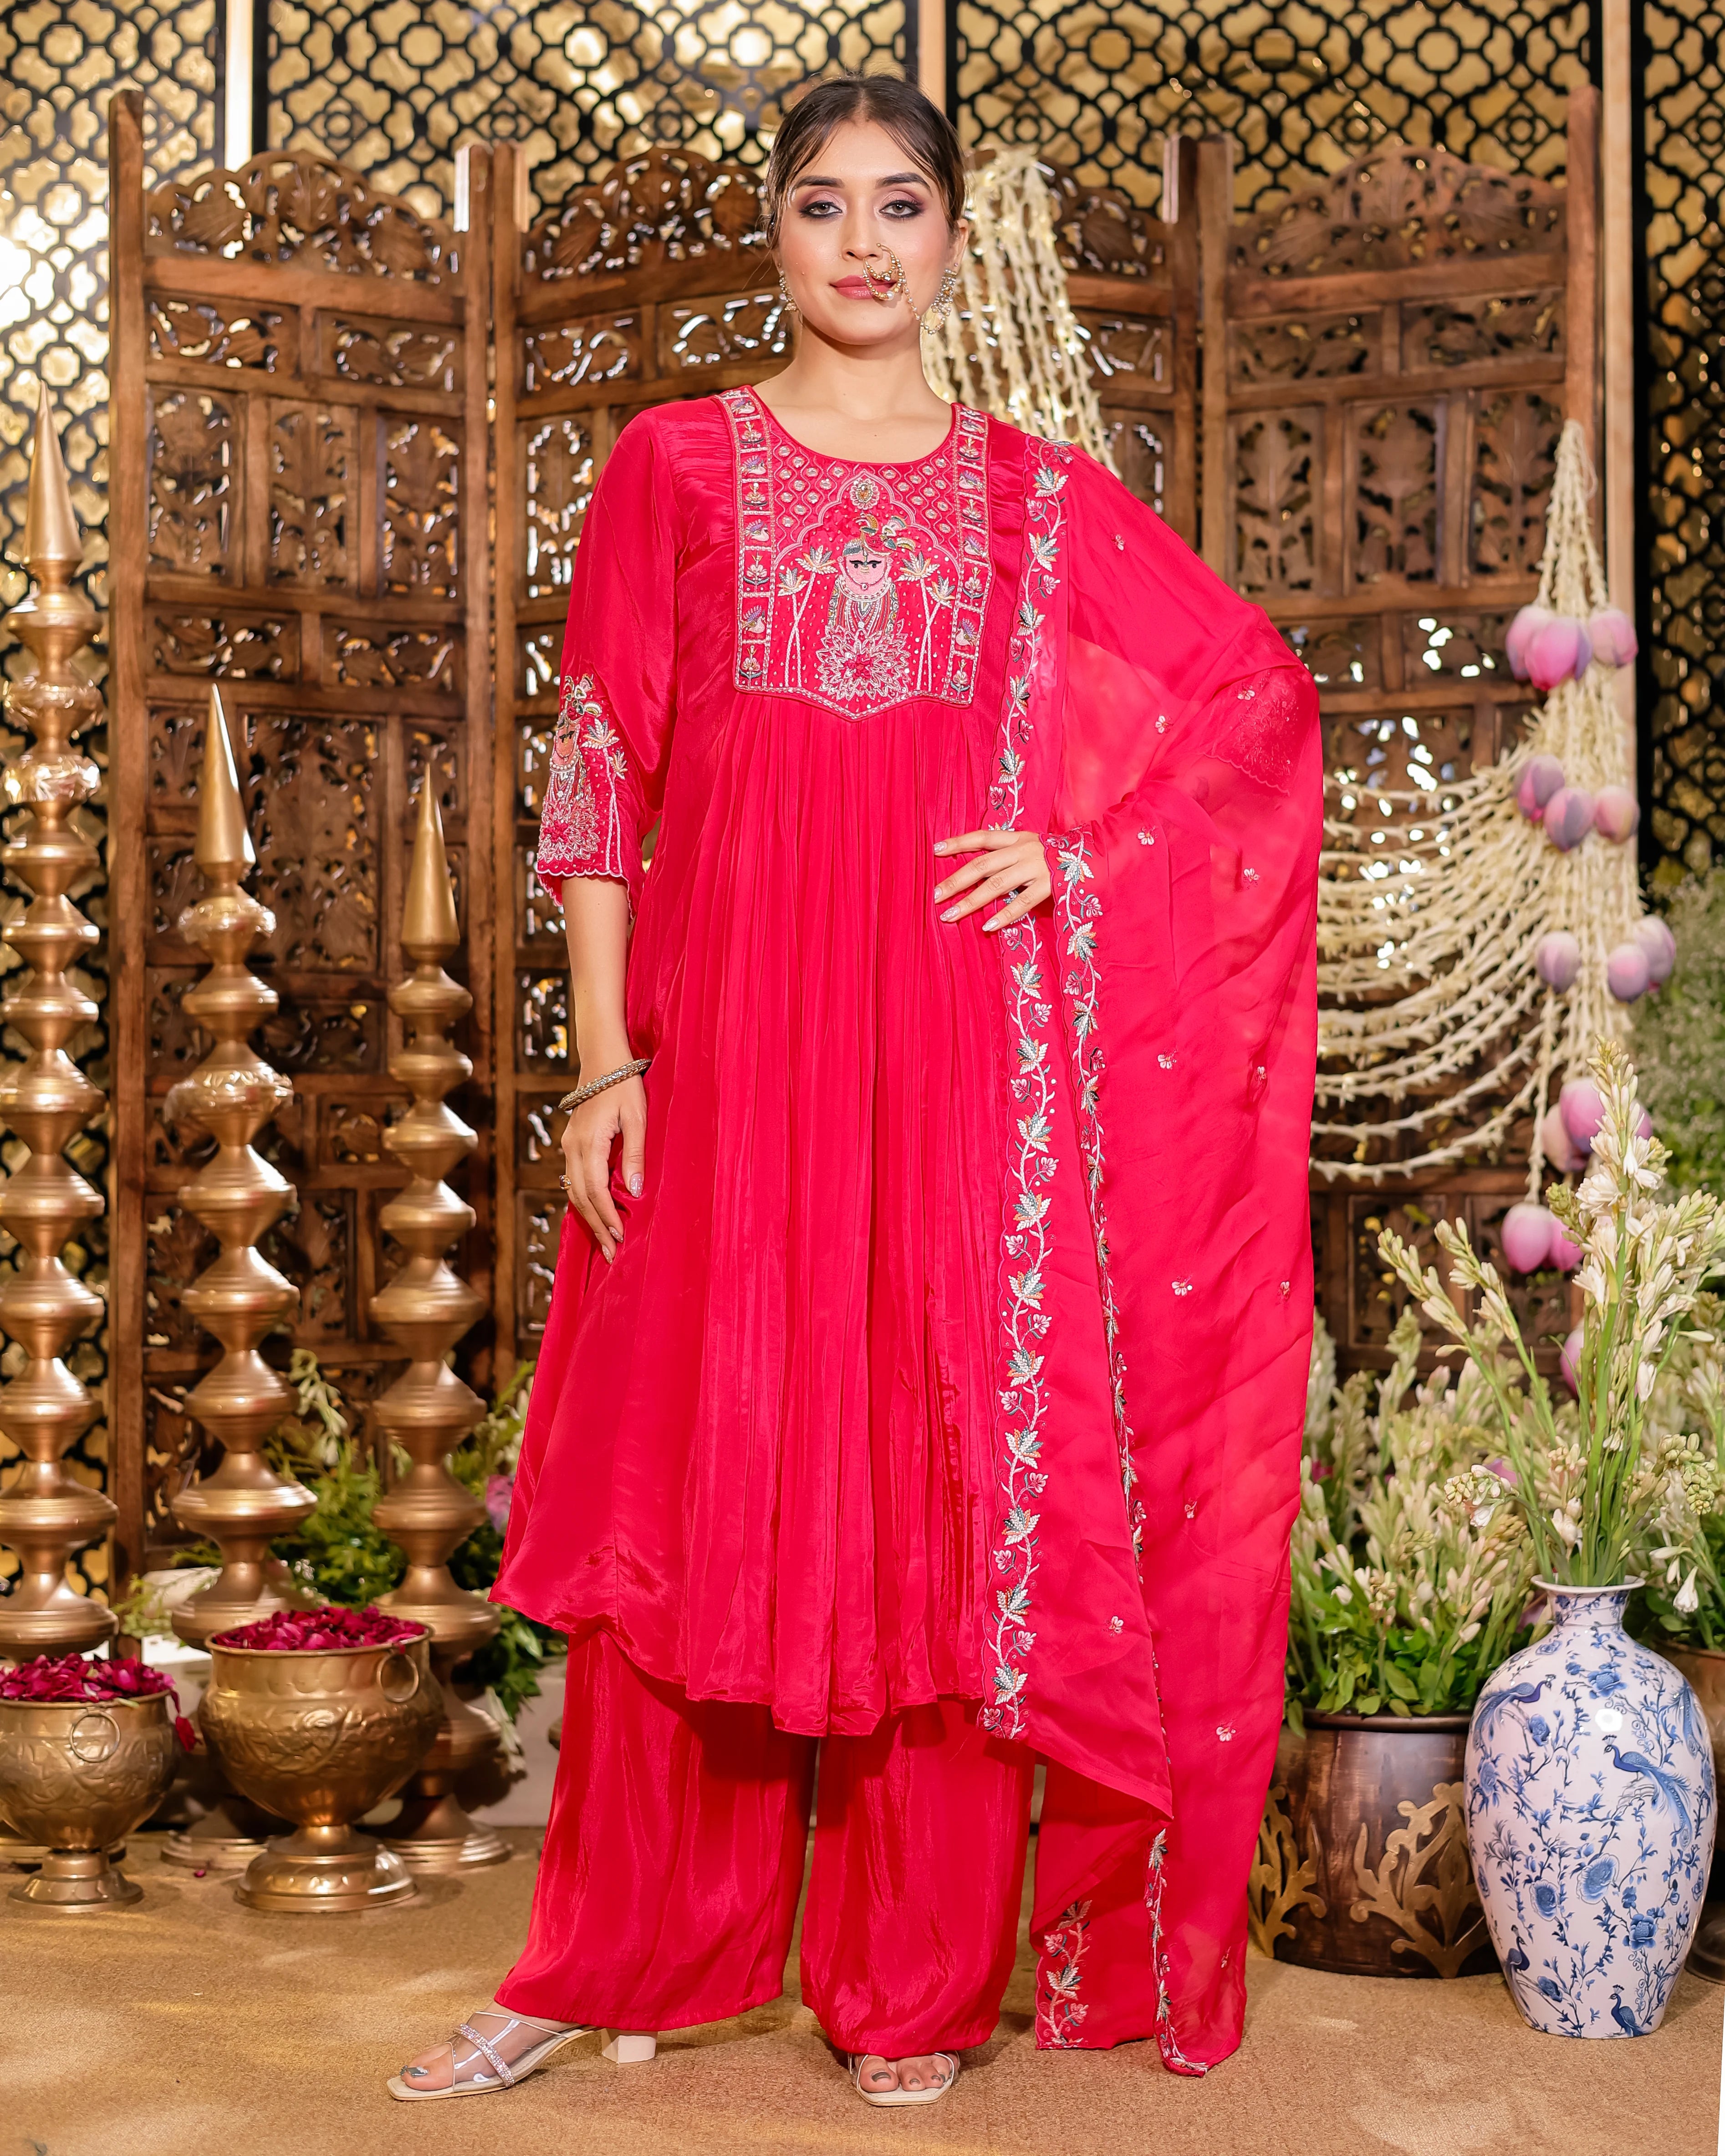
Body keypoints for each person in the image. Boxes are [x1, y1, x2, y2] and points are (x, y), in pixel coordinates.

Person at [391, 72, 1320, 2109]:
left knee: (929, 1482)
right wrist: (604, 1062)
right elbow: (598, 779)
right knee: (682, 1477)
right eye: (824, 207)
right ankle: (607, 1944)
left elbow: (1248, 707)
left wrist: (1076, 865)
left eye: (903, 207)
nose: (865, 245)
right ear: (776, 238)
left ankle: (910, 1978)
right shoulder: (674, 467)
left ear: (954, 241)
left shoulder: (1031, 495)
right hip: (716, 1056)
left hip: (953, 1063)